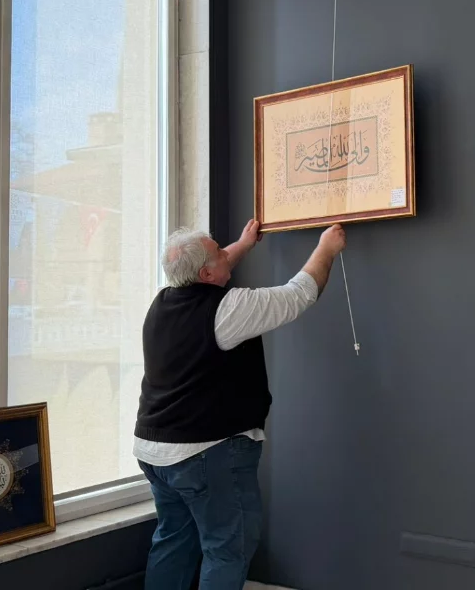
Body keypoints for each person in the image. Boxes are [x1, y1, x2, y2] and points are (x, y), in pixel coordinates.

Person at [135, 219, 345, 590]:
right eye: (219, 252)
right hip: (205, 453)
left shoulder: (162, 300)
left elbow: (207, 267)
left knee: (174, 541)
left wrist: (244, 244)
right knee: (227, 549)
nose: (225, 253)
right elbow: (298, 294)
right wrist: (326, 248)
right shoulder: (227, 309)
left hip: (154, 451)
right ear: (206, 273)